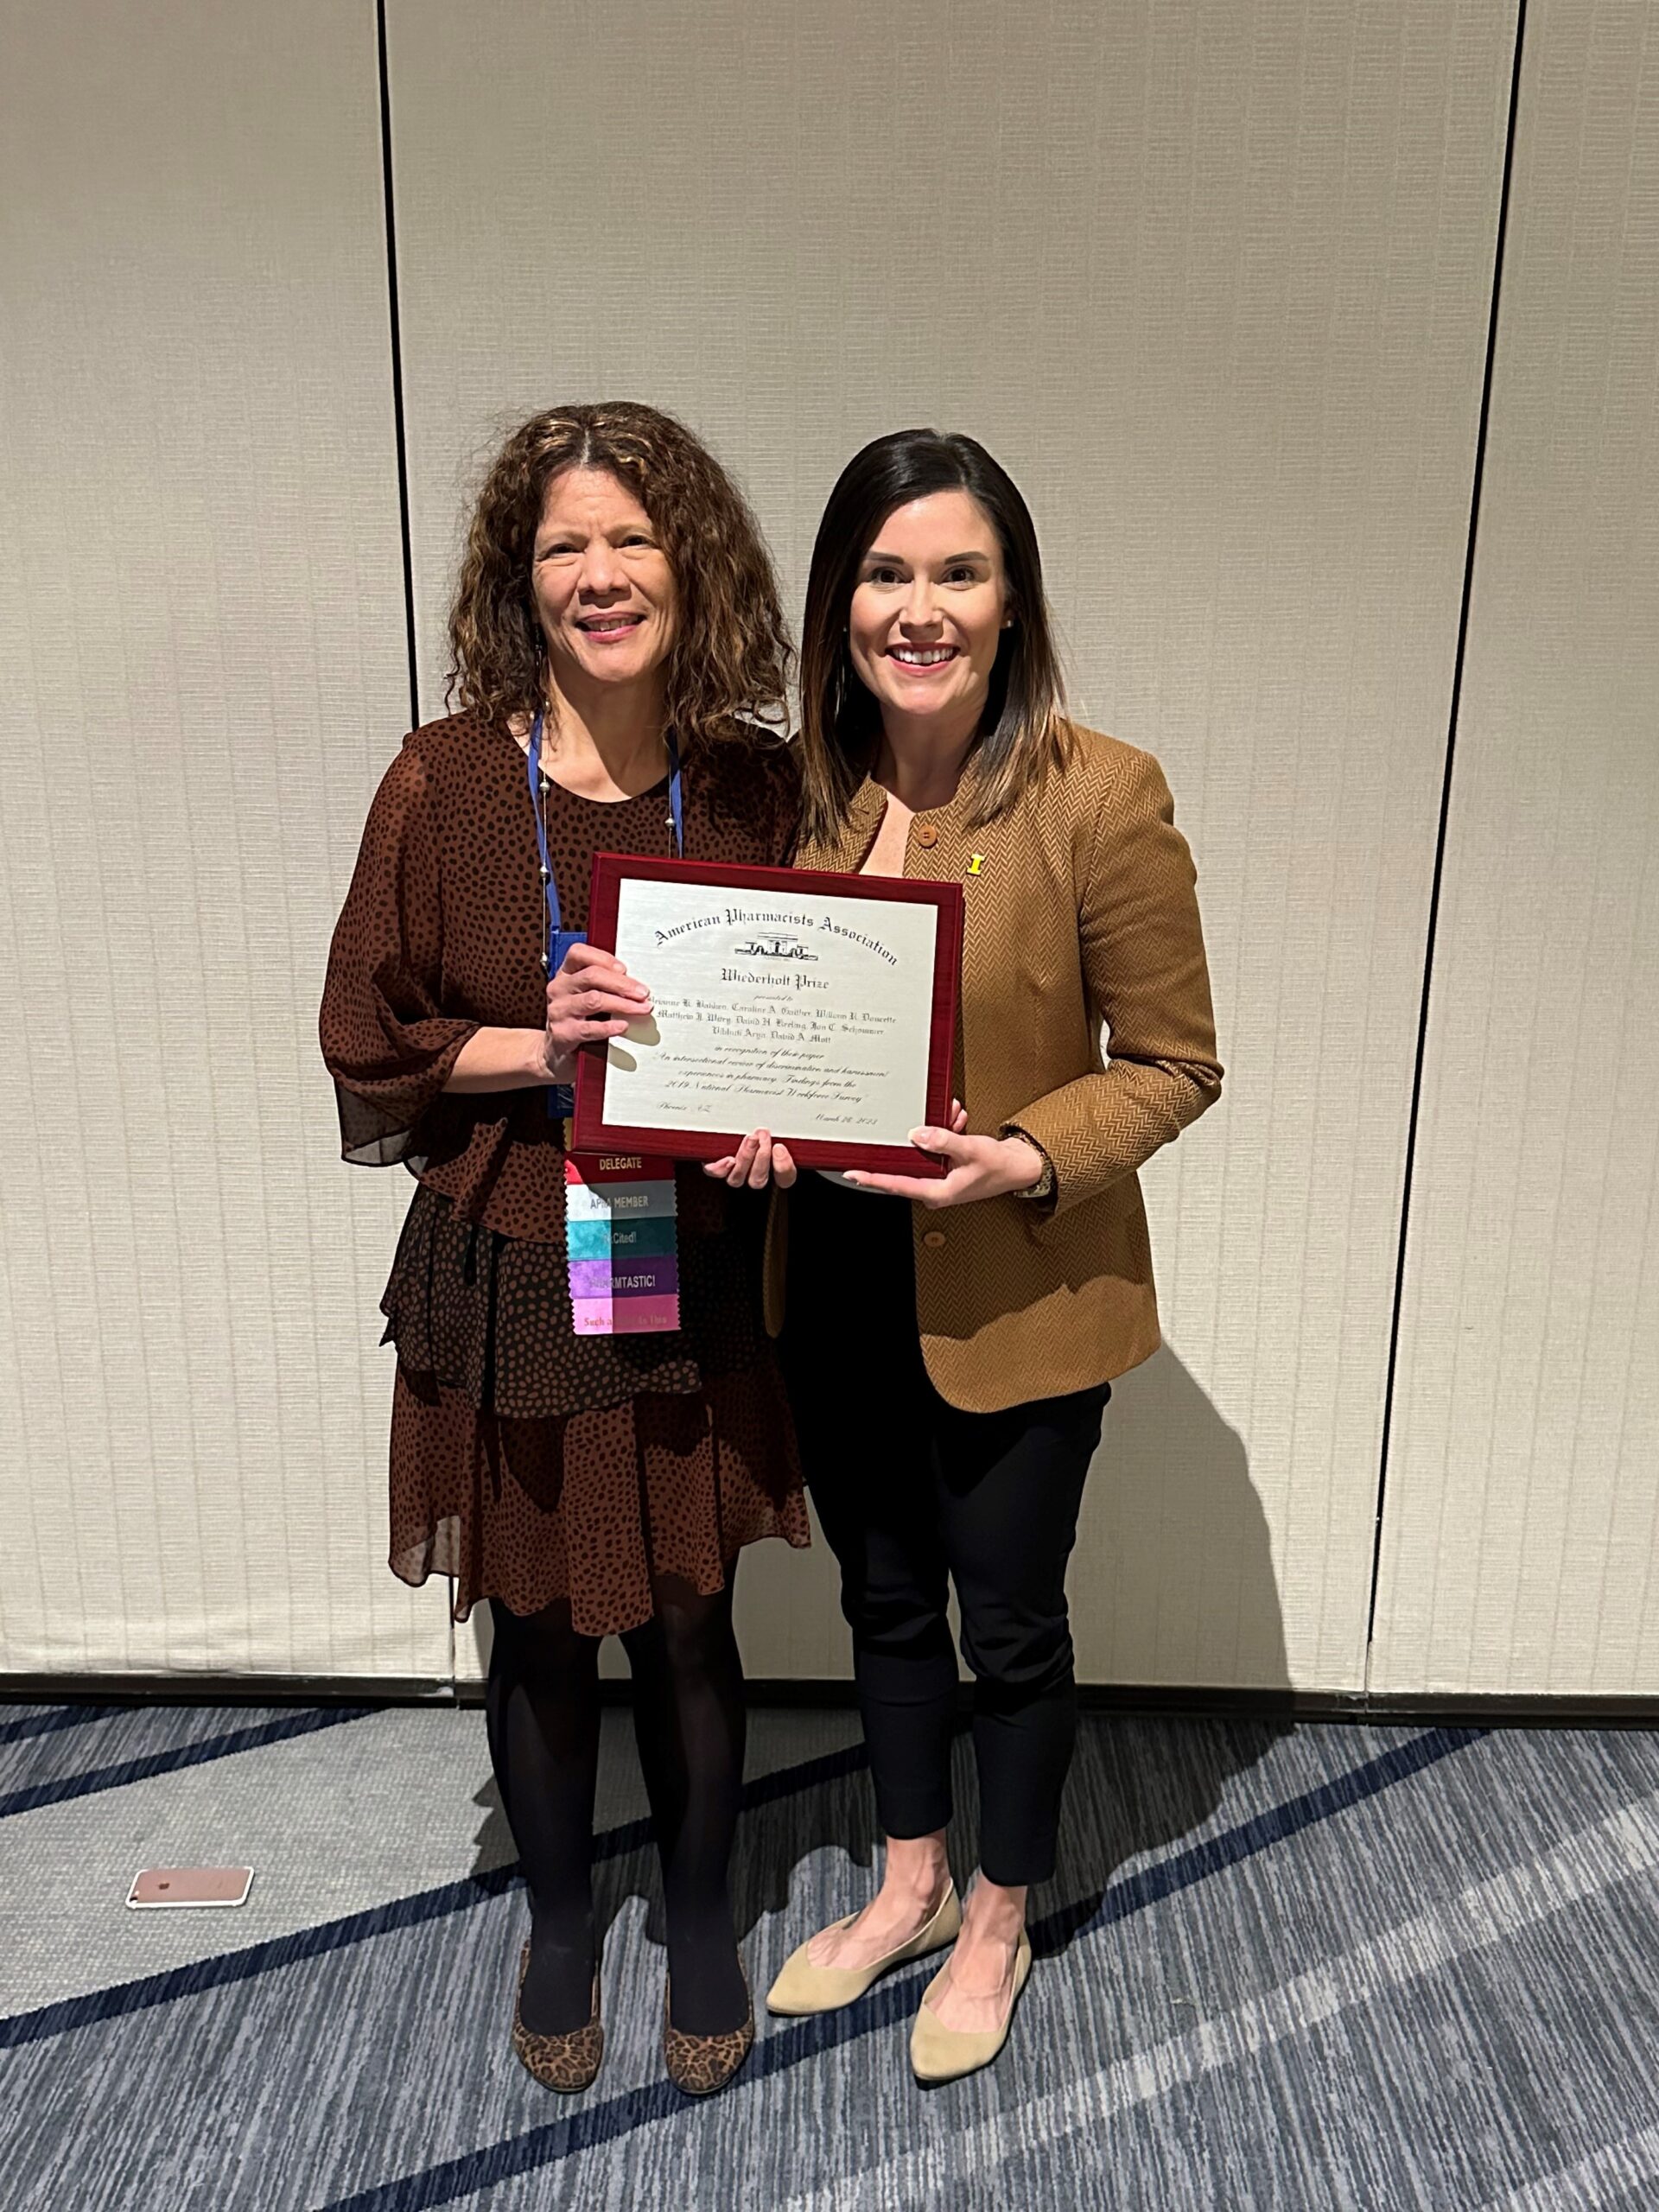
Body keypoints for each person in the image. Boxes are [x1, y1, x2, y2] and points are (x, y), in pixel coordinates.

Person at [713, 429, 1222, 2083]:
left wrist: (1023, 1157)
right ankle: (909, 1881)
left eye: (958, 572)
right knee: (878, 1599)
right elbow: (753, 1020)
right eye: (884, 573)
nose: (917, 609)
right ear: (837, 600)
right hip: (835, 1277)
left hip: (1013, 1278)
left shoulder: (1098, 790)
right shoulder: (789, 793)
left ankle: (1000, 1915)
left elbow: (1173, 1062)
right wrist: (738, 1118)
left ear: (1012, 604)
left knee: (1007, 1623)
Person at [320, 402, 808, 2099]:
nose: (600, 574)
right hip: (517, 1250)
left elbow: (820, 1032)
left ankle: (696, 1912)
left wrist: (783, 1125)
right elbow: (368, 1040)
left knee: (686, 1615)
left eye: (631, 538)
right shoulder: (445, 780)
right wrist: (546, 1041)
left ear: (691, 563)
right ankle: (552, 1914)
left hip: (686, 1243)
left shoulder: (755, 782)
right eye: (562, 546)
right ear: (518, 582)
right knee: (535, 1621)